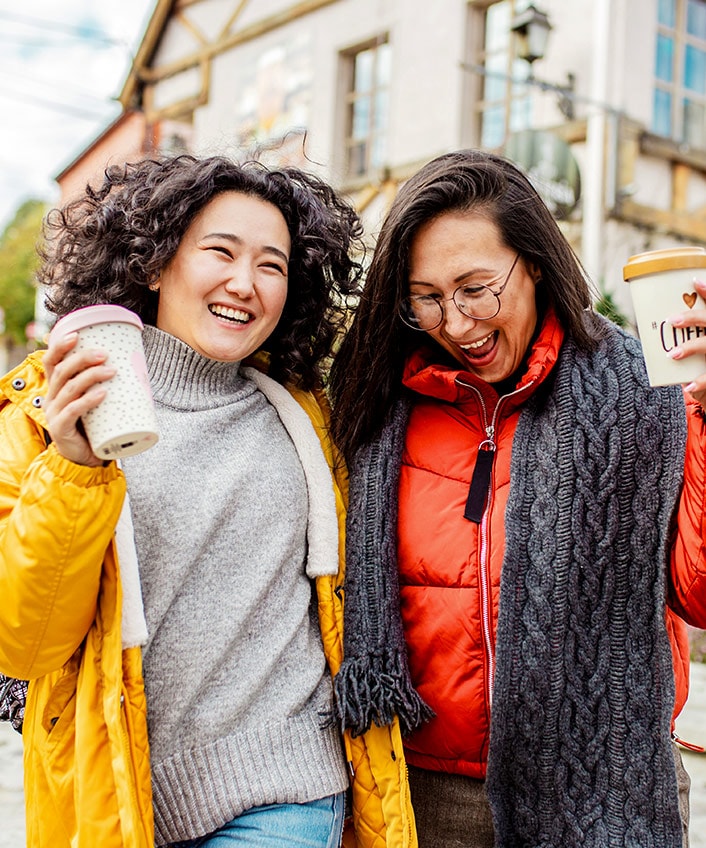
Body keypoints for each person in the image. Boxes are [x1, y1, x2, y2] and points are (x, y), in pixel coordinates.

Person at [0, 153, 380, 848]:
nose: (246, 282)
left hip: (286, 788)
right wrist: (74, 464)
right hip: (117, 797)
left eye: (272, 265)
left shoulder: (305, 419)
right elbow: (27, 642)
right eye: (220, 252)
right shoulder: (44, 415)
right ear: (154, 263)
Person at [329, 148, 706, 848]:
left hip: (607, 788)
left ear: (533, 261)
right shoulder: (371, 406)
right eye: (428, 297)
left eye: (477, 288)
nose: (457, 322)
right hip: (421, 796)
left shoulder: (646, 387)